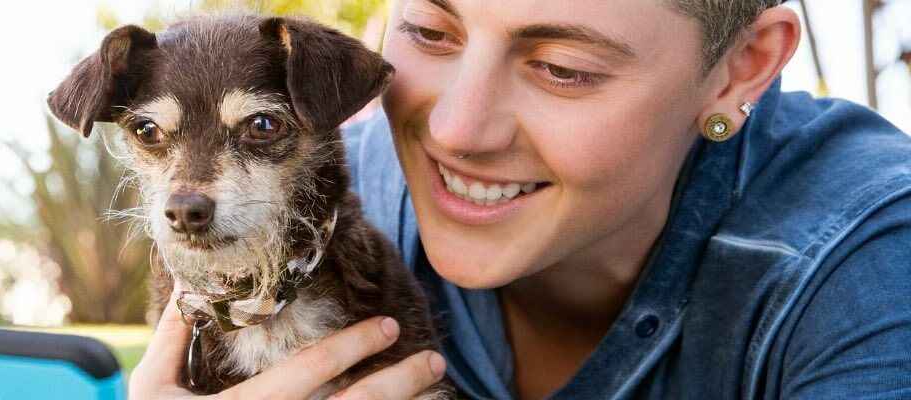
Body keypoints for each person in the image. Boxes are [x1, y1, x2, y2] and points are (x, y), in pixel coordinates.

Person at [129, 0, 911, 398]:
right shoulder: (317, 196)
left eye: (563, 67)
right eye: (432, 30)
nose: (457, 130)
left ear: (741, 68)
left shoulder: (869, 263)